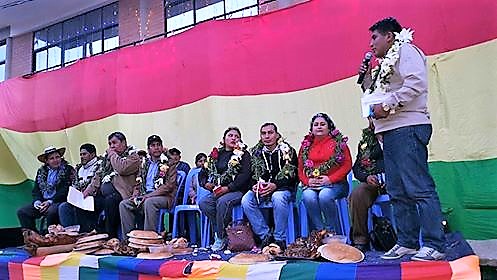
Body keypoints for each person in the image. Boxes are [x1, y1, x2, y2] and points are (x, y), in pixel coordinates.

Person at [361, 17, 446, 261]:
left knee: (419, 188)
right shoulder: (383, 64)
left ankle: (435, 244)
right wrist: (367, 78)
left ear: (390, 36)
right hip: (390, 132)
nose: (371, 43)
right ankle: (407, 241)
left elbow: (415, 84)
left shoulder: (406, 50)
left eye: (374, 37)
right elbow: (374, 95)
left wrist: (386, 105)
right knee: (397, 190)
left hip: (408, 127)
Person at [241, 123, 298, 250]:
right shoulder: (256, 153)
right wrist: (254, 186)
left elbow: (293, 175)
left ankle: (279, 239)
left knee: (278, 197)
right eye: (263, 133)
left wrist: (275, 185)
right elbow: (251, 175)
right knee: (246, 200)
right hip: (263, 189)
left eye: (270, 133)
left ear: (277, 135)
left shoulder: (288, 151)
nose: (267, 136)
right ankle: (265, 236)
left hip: (283, 189)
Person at [198, 127, 251, 251]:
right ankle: (223, 231)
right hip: (218, 190)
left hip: (237, 190)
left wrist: (228, 188)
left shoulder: (244, 155)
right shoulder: (216, 155)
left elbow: (245, 176)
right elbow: (203, 173)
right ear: (224, 139)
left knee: (222, 202)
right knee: (204, 203)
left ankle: (220, 237)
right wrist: (206, 183)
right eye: (230, 135)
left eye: (236, 136)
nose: (233, 138)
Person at [298, 113, 352, 233]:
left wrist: (330, 179)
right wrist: (308, 181)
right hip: (313, 185)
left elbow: (347, 165)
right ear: (311, 129)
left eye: (323, 124)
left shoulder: (339, 143)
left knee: (325, 195)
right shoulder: (306, 146)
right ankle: (320, 232)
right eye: (316, 125)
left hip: (336, 184)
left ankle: (332, 231)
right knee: (308, 196)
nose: (319, 127)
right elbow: (300, 169)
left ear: (329, 127)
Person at [83, 132, 141, 238]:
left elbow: (122, 168)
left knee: (110, 201)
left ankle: (111, 236)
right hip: (105, 195)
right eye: (110, 144)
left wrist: (112, 154)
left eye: (114, 143)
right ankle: (93, 234)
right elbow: (98, 176)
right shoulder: (107, 160)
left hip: (123, 194)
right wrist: (87, 191)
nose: (112, 146)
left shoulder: (133, 157)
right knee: (88, 203)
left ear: (124, 143)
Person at [119, 135, 178, 237]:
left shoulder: (169, 163)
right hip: (144, 196)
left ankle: (148, 240)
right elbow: (138, 182)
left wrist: (148, 196)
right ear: (148, 150)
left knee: (149, 203)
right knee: (124, 204)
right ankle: (128, 241)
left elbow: (169, 186)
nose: (156, 148)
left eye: (158, 145)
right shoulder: (144, 164)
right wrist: (135, 195)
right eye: (153, 145)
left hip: (164, 197)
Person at [17, 146, 75, 231]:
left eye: (57, 157)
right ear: (46, 161)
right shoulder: (41, 172)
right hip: (43, 202)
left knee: (51, 211)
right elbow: (36, 190)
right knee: (22, 212)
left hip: (58, 201)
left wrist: (50, 202)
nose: (56, 160)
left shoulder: (67, 169)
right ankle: (33, 236)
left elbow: (65, 190)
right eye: (52, 158)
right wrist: (37, 202)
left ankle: (51, 237)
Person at [349, 119, 386, 252]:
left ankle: (408, 238)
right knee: (357, 194)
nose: (374, 121)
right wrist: (366, 177)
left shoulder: (397, 136)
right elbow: (357, 168)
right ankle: (361, 240)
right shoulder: (366, 142)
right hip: (374, 182)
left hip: (397, 180)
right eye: (371, 119)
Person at [58, 143, 104, 232]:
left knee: (80, 206)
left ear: (93, 154)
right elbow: (75, 184)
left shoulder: (100, 165)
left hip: (95, 197)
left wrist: (86, 193)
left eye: (84, 154)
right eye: (80, 154)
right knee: (63, 207)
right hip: (81, 198)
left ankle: (85, 233)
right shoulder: (79, 169)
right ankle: (70, 235)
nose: (82, 157)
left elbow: (96, 183)